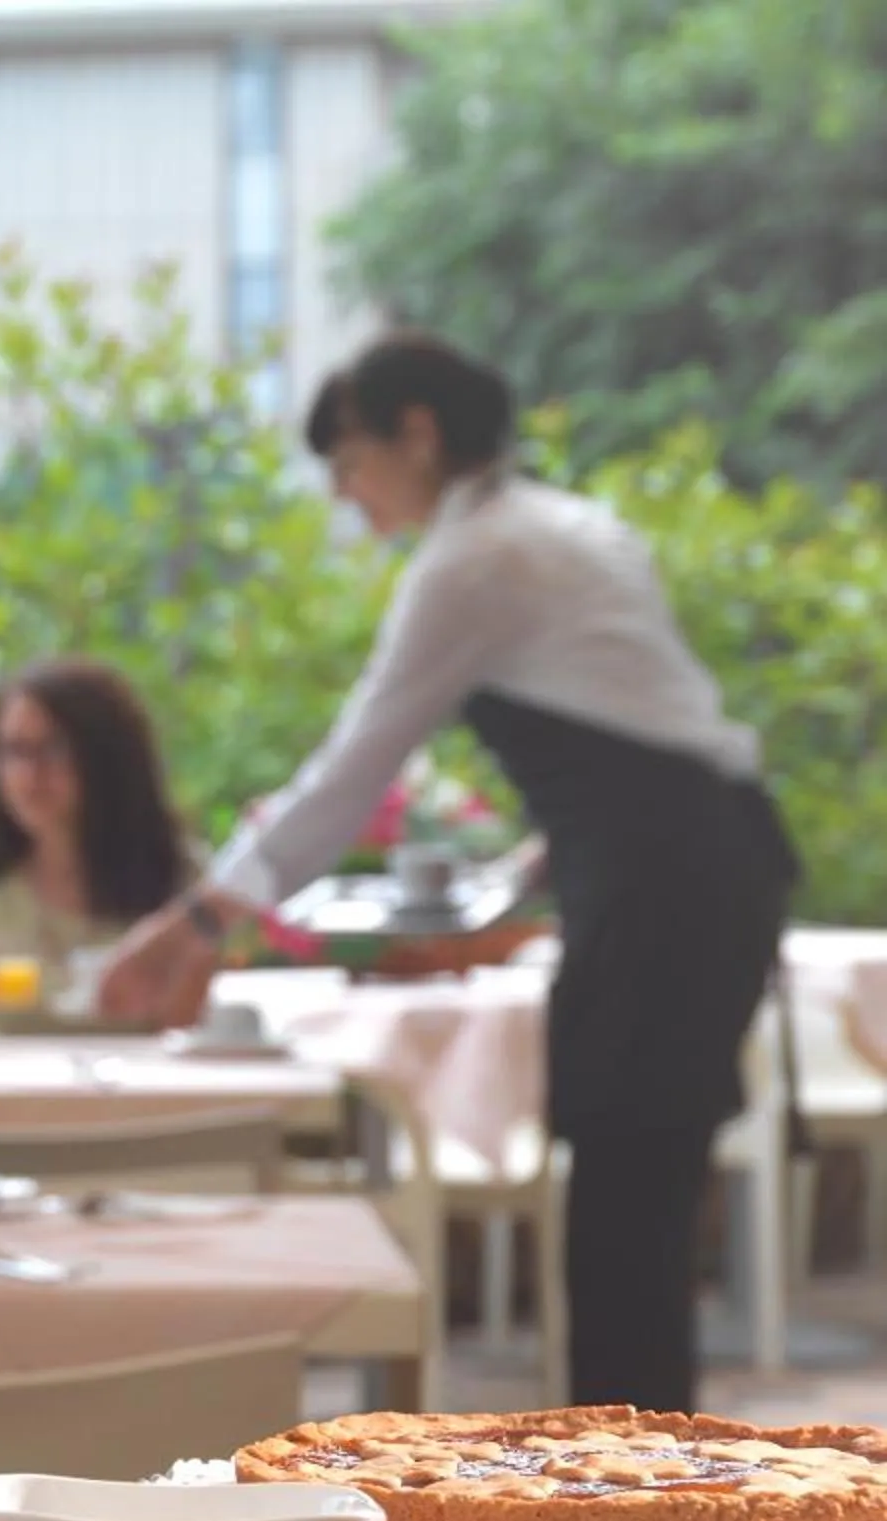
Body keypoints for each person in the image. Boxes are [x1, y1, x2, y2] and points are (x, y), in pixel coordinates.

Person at [99, 332, 796, 1413]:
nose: (345, 493)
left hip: (666, 888)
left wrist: (197, 921)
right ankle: (634, 1474)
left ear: (416, 434)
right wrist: (532, 865)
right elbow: (650, 733)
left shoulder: (477, 559)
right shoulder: (565, 528)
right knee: (639, 1196)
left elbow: (354, 768)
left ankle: (629, 1495)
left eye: (349, 460)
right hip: (711, 863)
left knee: (624, 1204)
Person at [0, 657, 193, 1033]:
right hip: (14, 1089)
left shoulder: (178, 871)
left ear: (108, 759)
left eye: (54, 749)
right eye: (14, 751)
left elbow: (195, 1024)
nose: (30, 774)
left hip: (145, 1088)